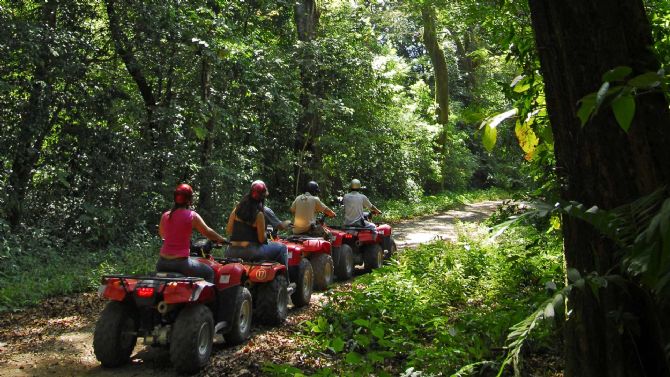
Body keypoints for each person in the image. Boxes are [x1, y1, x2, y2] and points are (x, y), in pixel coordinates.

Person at [157, 184, 226, 283]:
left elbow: (162, 234)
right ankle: (205, 298)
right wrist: (221, 239)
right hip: (181, 264)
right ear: (189, 199)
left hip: (162, 263)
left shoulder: (166, 215)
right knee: (209, 272)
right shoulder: (192, 216)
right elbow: (207, 232)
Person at [225, 180, 289, 271]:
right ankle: (284, 279)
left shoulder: (236, 209)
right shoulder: (259, 214)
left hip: (231, 251)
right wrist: (265, 233)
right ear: (262, 198)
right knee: (282, 247)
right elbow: (261, 239)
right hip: (250, 251)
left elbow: (229, 230)